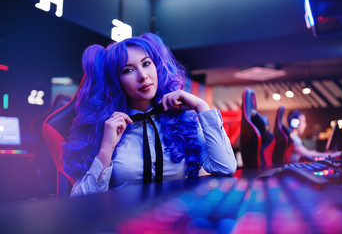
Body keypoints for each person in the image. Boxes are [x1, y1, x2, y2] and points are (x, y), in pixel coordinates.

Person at [63, 33, 237, 196]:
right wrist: (106, 147)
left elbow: (225, 167)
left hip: (176, 220)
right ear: (116, 81)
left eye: (146, 63)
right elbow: (79, 199)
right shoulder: (103, 128)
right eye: (128, 70)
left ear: (157, 67)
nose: (143, 76)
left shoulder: (183, 121)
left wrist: (201, 106)